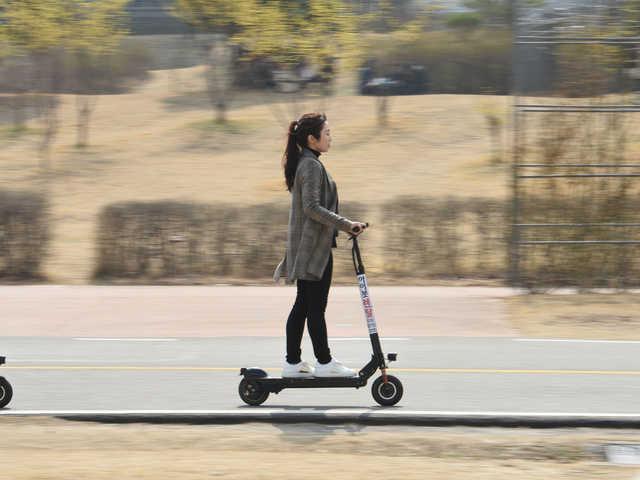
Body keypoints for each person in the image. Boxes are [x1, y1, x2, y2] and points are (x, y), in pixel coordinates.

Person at [273, 112, 367, 378]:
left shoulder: (306, 162)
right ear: (311, 139)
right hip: (314, 249)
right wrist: (347, 224)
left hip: (308, 247)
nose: (330, 138)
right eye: (326, 133)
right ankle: (324, 363)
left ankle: (293, 363)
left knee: (304, 304)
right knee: (314, 306)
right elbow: (312, 208)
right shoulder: (311, 165)